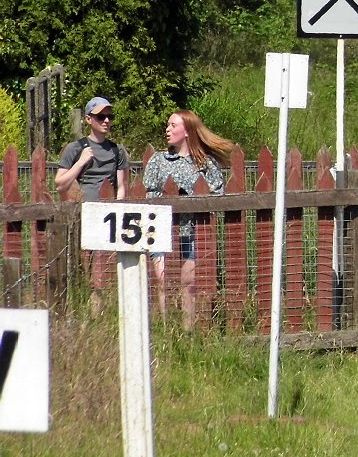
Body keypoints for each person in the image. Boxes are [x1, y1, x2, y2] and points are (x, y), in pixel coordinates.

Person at [142, 110, 236, 325]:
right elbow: (150, 195)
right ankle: (165, 328)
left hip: (191, 232)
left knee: (189, 282)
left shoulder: (206, 164)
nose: (167, 129)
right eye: (167, 125)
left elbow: (217, 196)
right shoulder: (158, 160)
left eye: (173, 125)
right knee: (163, 280)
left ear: (187, 131)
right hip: (162, 232)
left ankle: (187, 331)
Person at [55, 96, 129, 201]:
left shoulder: (117, 150)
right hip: (81, 212)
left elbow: (122, 187)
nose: (106, 120)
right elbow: (60, 187)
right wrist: (80, 162)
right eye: (101, 117)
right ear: (88, 119)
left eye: (110, 116)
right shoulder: (75, 148)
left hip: (109, 213)